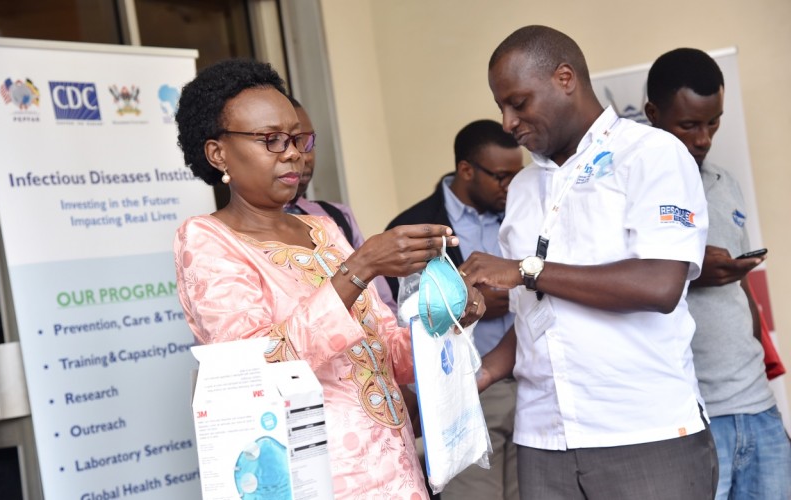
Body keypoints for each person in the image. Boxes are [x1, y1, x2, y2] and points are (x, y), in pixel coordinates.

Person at [172, 58, 485, 499]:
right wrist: (361, 268)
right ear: (218, 153)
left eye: (298, 138)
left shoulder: (321, 230)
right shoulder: (206, 239)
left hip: (397, 473)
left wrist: (448, 315)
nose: (293, 152)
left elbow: (387, 353)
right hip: (317, 480)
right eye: (271, 140)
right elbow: (257, 367)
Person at [460, 26, 718, 499]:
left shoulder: (651, 155)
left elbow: (660, 284)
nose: (507, 121)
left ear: (564, 78)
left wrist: (525, 269)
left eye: (518, 102)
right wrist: (481, 373)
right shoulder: (521, 191)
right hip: (541, 440)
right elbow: (539, 316)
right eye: (501, 106)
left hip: (644, 434)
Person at [645, 47, 791, 500]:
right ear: (652, 114)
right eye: (689, 125)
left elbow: (744, 289)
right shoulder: (632, 189)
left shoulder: (727, 183)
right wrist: (687, 268)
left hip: (757, 405)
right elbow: (622, 284)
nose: (704, 137)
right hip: (691, 413)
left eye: (714, 122)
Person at [386, 119, 522, 500]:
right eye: (501, 177)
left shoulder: (523, 215)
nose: (512, 187)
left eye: (517, 175)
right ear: (466, 170)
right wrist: (465, 305)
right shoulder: (413, 228)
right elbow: (405, 321)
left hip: (529, 380)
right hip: (466, 390)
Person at [285, 97, 396, 311]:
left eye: (306, 142)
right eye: (278, 142)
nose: (302, 156)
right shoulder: (225, 238)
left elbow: (385, 305)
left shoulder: (336, 215)